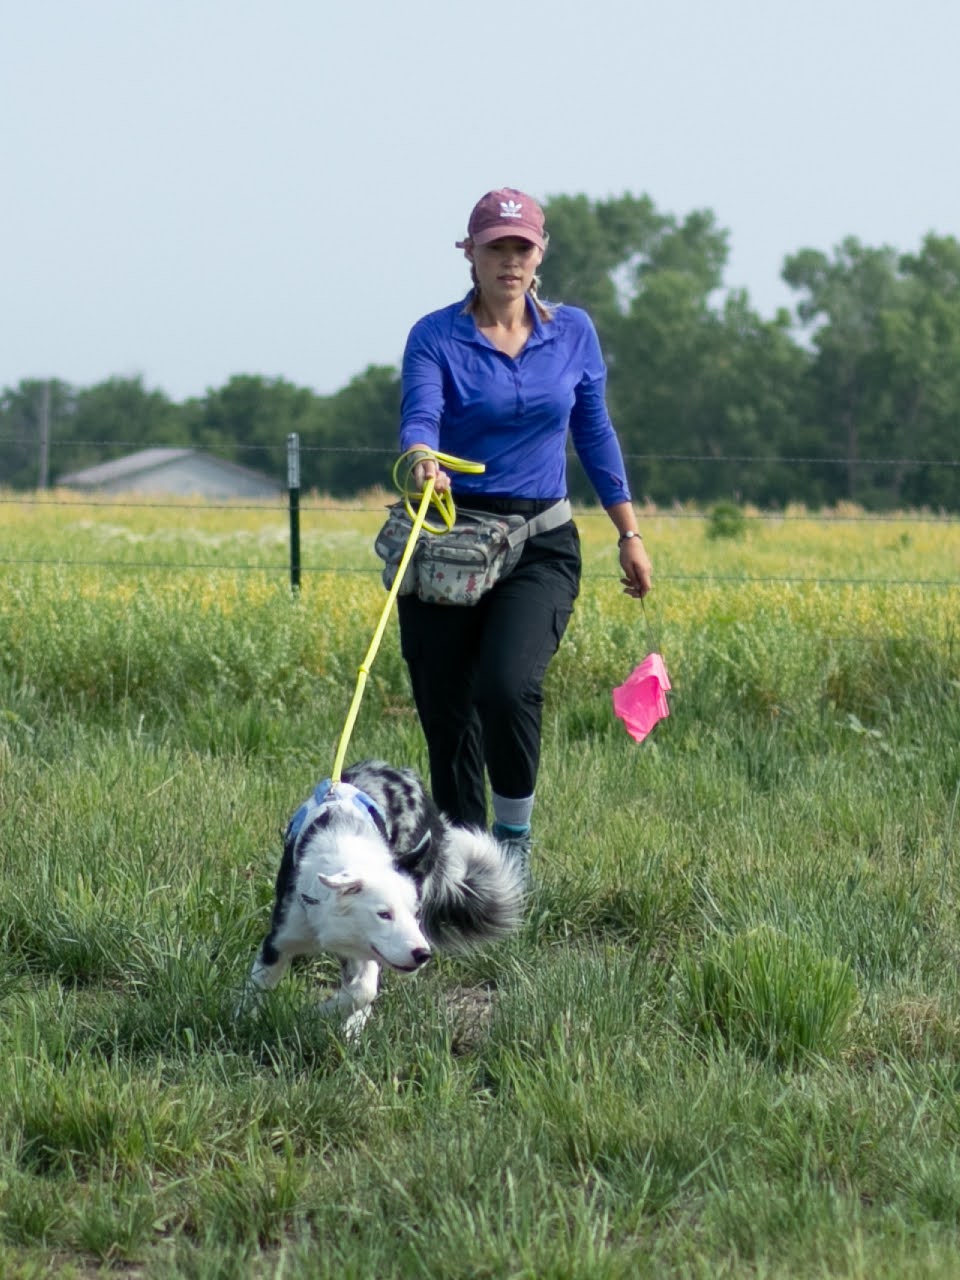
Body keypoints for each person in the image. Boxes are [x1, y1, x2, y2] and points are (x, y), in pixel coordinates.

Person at [395, 186, 653, 884]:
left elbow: (594, 431)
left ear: (540, 256)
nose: (510, 260)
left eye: (522, 247)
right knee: (448, 714)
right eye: (495, 247)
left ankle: (512, 846)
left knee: (507, 689)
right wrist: (423, 460)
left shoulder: (572, 333)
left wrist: (627, 530)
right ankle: (462, 868)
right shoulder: (435, 335)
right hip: (451, 539)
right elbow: (421, 414)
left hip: (539, 540)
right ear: (470, 254)